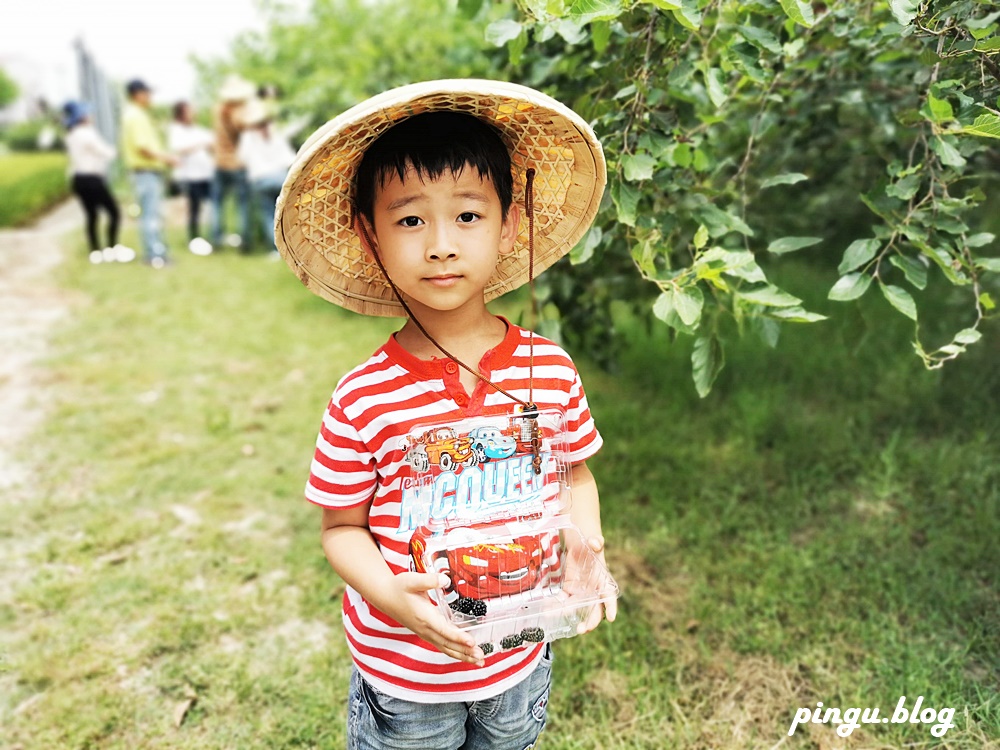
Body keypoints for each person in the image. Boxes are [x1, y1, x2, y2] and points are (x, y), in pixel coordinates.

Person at [274, 80, 616, 749]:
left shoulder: (549, 369)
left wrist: (588, 543)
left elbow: (575, 474)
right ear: (371, 235)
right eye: (409, 220)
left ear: (509, 224)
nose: (440, 245)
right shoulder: (363, 396)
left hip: (519, 653)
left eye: (467, 216)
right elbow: (341, 529)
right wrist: (390, 595)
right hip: (407, 676)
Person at [62, 100, 134, 264]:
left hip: (78, 180)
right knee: (114, 212)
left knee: (91, 215)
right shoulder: (87, 133)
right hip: (92, 179)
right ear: (82, 116)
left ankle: (95, 251)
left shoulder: (71, 135)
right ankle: (112, 248)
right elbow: (105, 152)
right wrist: (120, 151)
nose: (91, 116)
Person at [121, 79, 176, 268]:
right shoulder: (135, 116)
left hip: (147, 172)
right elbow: (142, 147)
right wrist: (166, 158)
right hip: (145, 172)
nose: (150, 97)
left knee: (152, 214)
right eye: (147, 93)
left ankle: (156, 251)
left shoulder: (137, 115)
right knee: (151, 215)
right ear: (138, 94)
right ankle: (154, 254)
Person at [236, 98, 296, 255]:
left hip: (261, 180)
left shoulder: (247, 137)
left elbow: (242, 158)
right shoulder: (275, 134)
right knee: (284, 214)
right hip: (280, 178)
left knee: (268, 215)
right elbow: (289, 159)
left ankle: (277, 250)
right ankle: (292, 245)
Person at [210, 75, 254, 251]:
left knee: (217, 204)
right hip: (237, 164)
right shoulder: (238, 112)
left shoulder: (217, 109)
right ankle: (245, 243)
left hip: (219, 162)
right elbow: (245, 130)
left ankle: (216, 239)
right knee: (242, 205)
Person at [167, 101, 215, 256]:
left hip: (206, 174)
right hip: (190, 176)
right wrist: (201, 143)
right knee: (194, 208)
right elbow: (180, 149)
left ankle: (213, 237)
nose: (193, 113)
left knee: (212, 206)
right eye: (190, 111)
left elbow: (213, 142)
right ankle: (194, 238)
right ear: (181, 113)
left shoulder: (198, 130)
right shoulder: (176, 130)